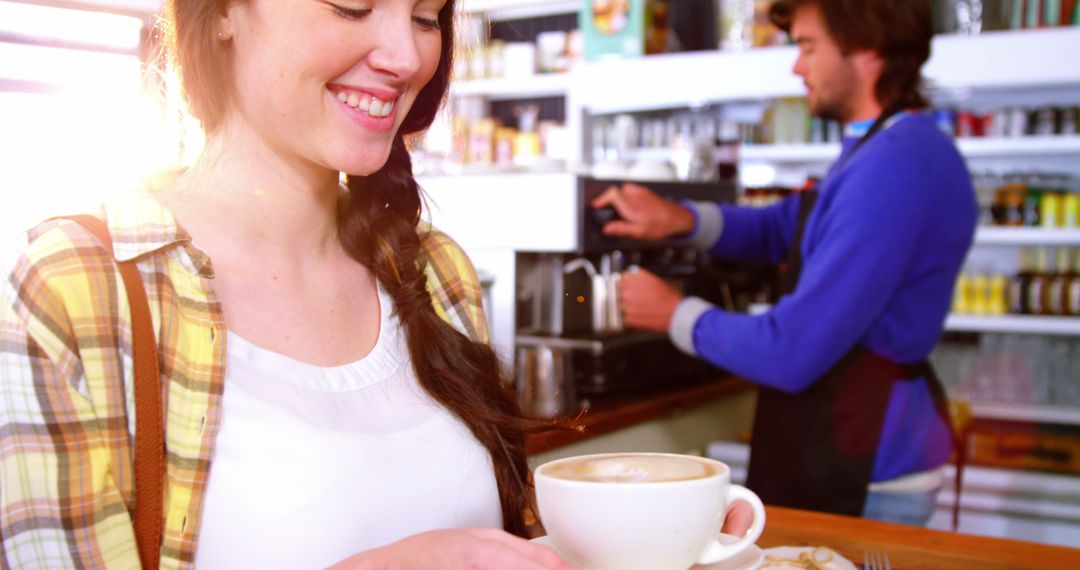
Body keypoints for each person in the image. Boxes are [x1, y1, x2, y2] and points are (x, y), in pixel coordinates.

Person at [0, 1, 578, 568]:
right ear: (223, 12)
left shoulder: (434, 268)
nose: (407, 57)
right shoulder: (74, 289)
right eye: (353, 7)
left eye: (426, 17)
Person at [593, 0, 976, 526]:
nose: (797, 66)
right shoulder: (887, 148)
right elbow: (786, 225)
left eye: (807, 46)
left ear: (866, 48)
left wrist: (674, 314)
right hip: (854, 443)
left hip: (866, 465)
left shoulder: (895, 168)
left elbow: (791, 351)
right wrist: (678, 219)